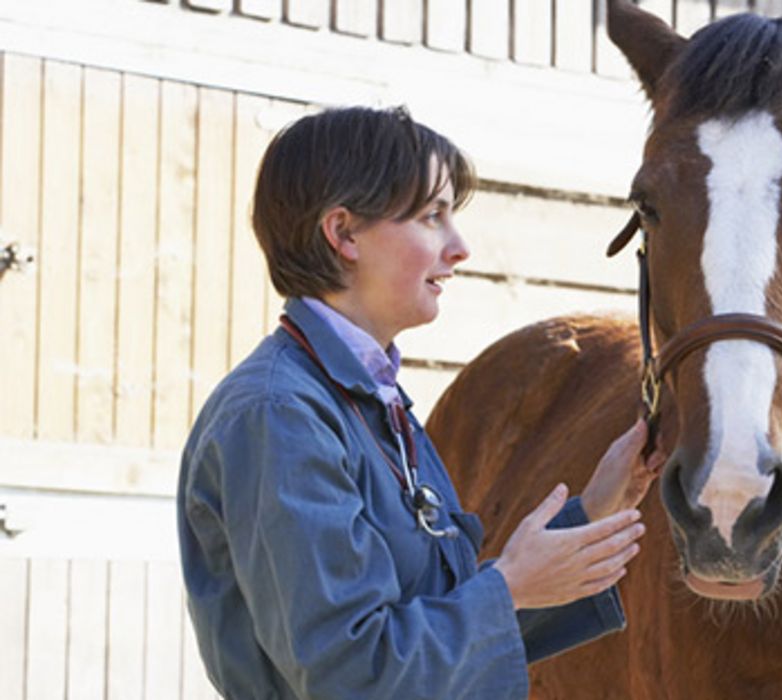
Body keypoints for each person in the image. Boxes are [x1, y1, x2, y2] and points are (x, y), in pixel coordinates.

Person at [177, 106, 663, 699]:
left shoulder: (372, 400)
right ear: (344, 233)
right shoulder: (279, 415)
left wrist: (597, 508)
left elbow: (429, 626)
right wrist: (509, 587)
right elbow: (347, 674)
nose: (458, 247)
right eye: (433, 216)